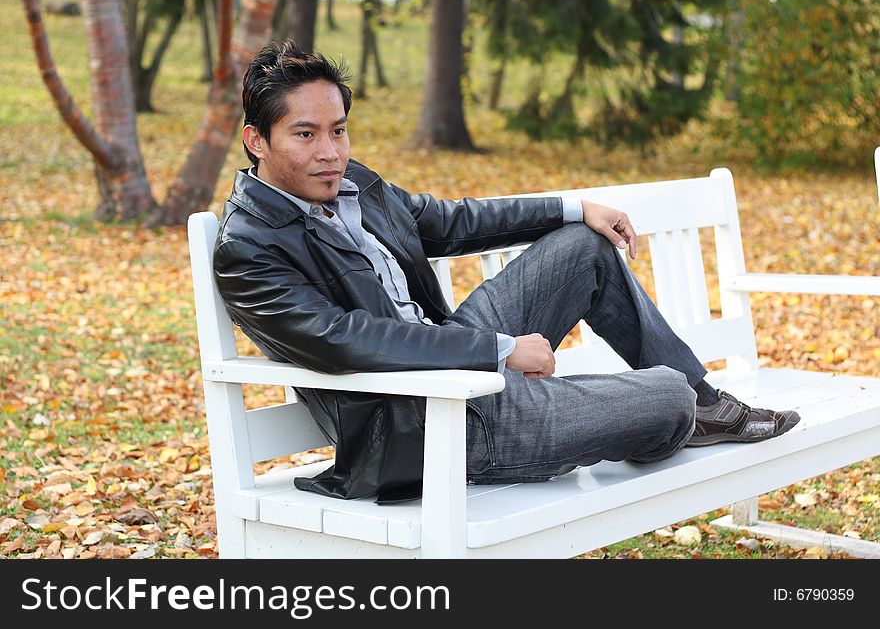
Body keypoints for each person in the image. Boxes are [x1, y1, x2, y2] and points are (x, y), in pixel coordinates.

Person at [213, 41, 800, 504]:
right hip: (430, 425)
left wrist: (575, 205)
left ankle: (706, 405)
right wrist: (498, 352)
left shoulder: (352, 184)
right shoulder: (249, 247)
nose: (330, 153)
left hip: (454, 357)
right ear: (256, 141)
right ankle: (649, 409)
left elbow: (449, 220)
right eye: (305, 134)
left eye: (338, 130)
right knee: (663, 395)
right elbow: (349, 341)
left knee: (582, 246)